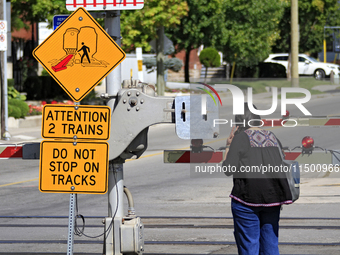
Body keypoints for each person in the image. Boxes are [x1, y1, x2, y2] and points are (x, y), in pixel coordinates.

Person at [222, 103, 292, 255]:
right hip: (273, 199)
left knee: (249, 246)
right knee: (270, 246)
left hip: (246, 200)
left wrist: (228, 146)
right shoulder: (273, 137)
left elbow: (228, 169)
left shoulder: (240, 139)